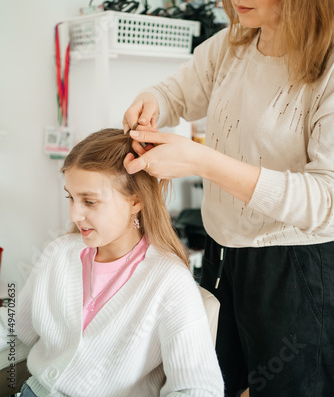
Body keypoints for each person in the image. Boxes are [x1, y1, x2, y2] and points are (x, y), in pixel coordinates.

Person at [122, 0, 334, 395]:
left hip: (295, 270)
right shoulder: (233, 42)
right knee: (217, 379)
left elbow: (325, 202)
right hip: (222, 254)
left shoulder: (326, 66)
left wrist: (201, 161)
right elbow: (177, 92)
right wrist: (150, 99)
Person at [0, 129, 224, 397]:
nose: (75, 214)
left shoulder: (169, 280)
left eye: (90, 202)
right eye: (70, 197)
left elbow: (198, 389)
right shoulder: (58, 253)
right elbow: (12, 329)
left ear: (136, 201)